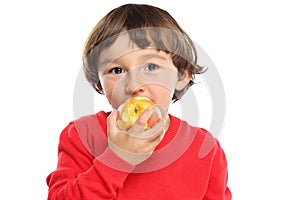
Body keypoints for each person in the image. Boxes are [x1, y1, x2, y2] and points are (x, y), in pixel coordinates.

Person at [46, 3, 231, 199]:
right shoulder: (82, 135)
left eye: (151, 67)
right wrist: (118, 158)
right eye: (117, 70)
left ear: (181, 76)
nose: (134, 85)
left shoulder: (205, 149)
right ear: (100, 85)